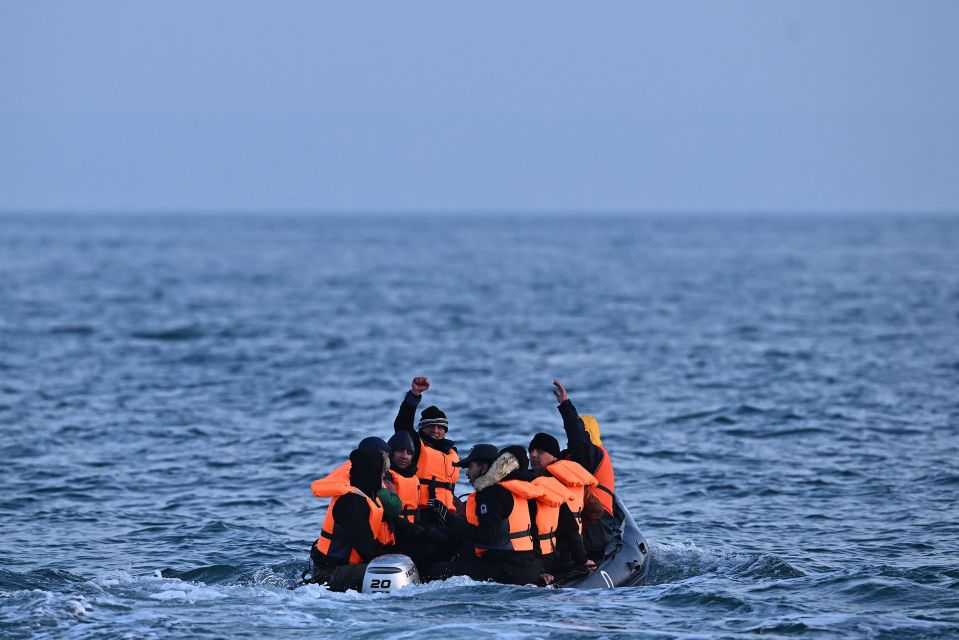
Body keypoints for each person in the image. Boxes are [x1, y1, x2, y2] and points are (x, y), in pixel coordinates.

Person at [425, 444, 545, 586]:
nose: (467, 473)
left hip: (505, 569)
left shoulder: (491, 492)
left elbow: (486, 536)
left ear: (485, 468)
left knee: (435, 570)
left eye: (471, 467)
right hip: (526, 564)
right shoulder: (515, 488)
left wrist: (449, 518)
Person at [306, 448, 397, 591]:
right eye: (380, 473)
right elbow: (367, 549)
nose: (382, 479)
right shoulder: (351, 501)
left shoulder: (368, 497)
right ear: (371, 473)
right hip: (330, 573)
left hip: (346, 567)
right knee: (392, 571)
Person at [552, 379, 618, 557]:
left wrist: (565, 405)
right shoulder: (575, 458)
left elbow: (577, 437)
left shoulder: (592, 454)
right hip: (584, 524)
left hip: (595, 528)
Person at [528, 431, 597, 577]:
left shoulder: (543, 483)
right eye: (531, 451)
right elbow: (596, 510)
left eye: (540, 451)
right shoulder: (573, 479)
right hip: (575, 550)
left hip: (554, 555)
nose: (533, 455)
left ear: (553, 455)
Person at [393, 376, 460, 514]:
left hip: (447, 514)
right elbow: (402, 424)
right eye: (430, 426)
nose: (435, 430)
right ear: (422, 428)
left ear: (445, 430)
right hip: (421, 513)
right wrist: (414, 395)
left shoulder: (453, 454)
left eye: (440, 427)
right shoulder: (416, 446)